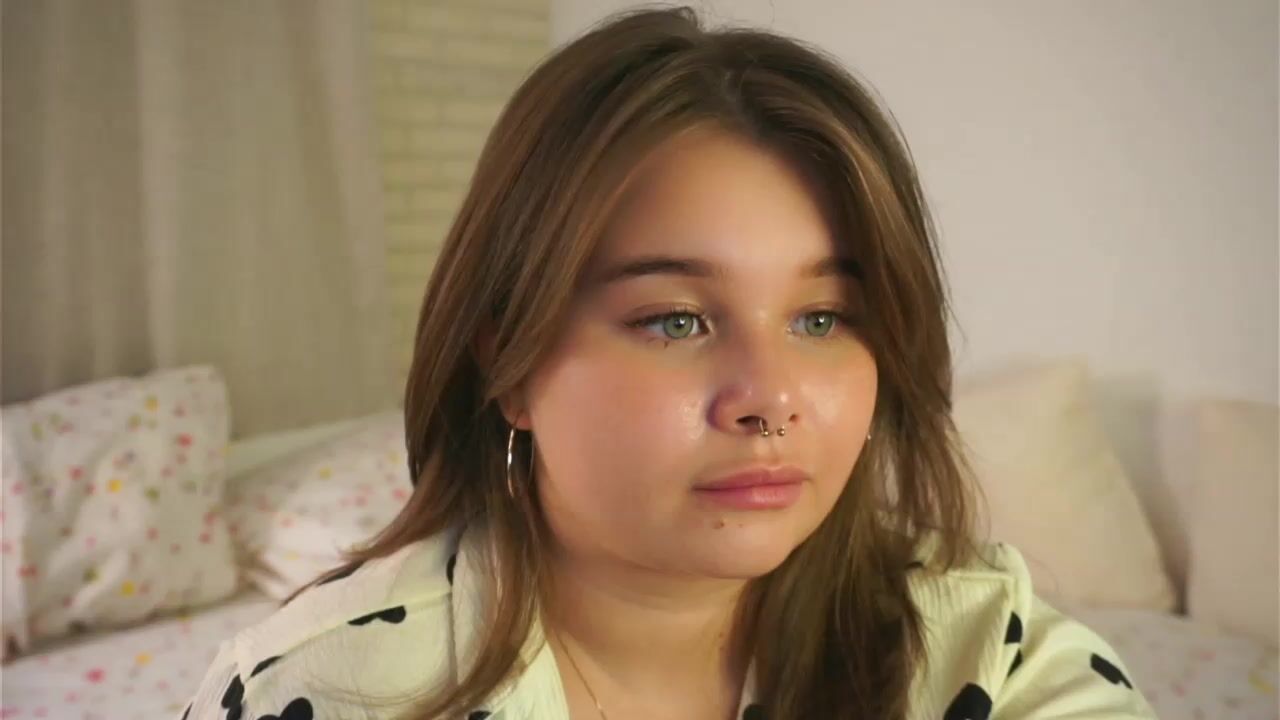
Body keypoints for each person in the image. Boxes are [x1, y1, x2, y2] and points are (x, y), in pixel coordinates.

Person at [182, 6, 1157, 719]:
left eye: (823, 318)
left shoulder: (990, 651)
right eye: (676, 321)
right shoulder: (324, 691)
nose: (769, 398)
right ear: (509, 365)